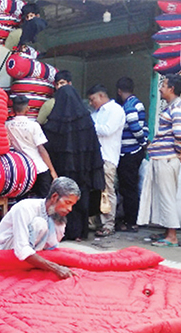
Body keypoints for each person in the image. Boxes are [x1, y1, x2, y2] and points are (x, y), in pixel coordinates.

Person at [42, 70, 105, 241]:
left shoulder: (55, 122)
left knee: (62, 199)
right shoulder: (86, 120)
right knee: (79, 199)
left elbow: (46, 143)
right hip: (83, 171)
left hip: (62, 172)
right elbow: (94, 147)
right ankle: (80, 232)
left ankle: (63, 232)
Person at [0, 177, 80, 279]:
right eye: (68, 203)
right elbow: (22, 249)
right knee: (40, 224)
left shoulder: (56, 216)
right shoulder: (25, 208)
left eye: (72, 205)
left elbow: (51, 248)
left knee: (58, 224)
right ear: (54, 197)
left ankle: (33, 265)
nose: (70, 209)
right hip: (5, 252)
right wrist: (56, 268)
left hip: (30, 255)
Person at [137, 74, 181, 247]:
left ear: (171, 89)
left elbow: (180, 134)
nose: (160, 88)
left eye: (164, 85)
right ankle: (167, 231)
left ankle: (172, 236)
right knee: (164, 195)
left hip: (166, 158)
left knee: (166, 196)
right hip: (163, 157)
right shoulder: (172, 106)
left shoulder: (176, 108)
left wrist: (177, 151)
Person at [87, 84, 125, 236]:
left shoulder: (115, 111)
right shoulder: (97, 113)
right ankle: (95, 222)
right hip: (95, 157)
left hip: (107, 157)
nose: (91, 103)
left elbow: (107, 130)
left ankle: (108, 224)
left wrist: (89, 126)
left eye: (93, 99)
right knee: (95, 191)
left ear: (101, 96)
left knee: (107, 191)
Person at [6, 95, 58, 198]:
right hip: (39, 168)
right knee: (44, 200)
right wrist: (52, 170)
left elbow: (8, 144)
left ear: (12, 109)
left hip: (22, 169)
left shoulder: (7, 125)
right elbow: (41, 149)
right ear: (28, 108)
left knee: (22, 200)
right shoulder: (34, 125)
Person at [115, 77, 149, 233]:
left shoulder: (129, 105)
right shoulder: (138, 103)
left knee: (128, 188)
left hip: (130, 152)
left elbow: (135, 126)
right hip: (134, 151)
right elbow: (144, 127)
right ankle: (131, 219)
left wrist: (142, 142)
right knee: (130, 187)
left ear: (119, 91)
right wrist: (144, 141)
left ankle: (131, 221)